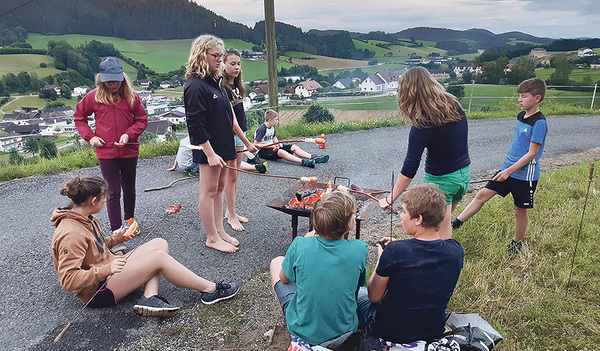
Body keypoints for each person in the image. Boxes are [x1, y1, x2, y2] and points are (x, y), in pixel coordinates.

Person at [51, 175, 240, 317]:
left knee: (159, 243)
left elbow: (94, 247)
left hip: (109, 271)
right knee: (159, 258)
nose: (106, 200)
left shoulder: (86, 217)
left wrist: (117, 240)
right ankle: (210, 290)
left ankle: (149, 297)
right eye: (104, 198)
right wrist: (105, 269)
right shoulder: (70, 233)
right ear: (93, 201)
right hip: (98, 291)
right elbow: (68, 280)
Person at [358, 184, 464, 344]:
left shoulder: (394, 252)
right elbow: (422, 257)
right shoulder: (456, 250)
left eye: (404, 211)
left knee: (356, 294)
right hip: (433, 330)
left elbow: (374, 297)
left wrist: (382, 259)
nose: (400, 216)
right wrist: (400, 248)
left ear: (418, 219)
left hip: (391, 331)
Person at [452, 78, 548, 254]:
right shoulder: (521, 116)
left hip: (524, 175)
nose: (519, 99)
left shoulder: (539, 123)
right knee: (482, 194)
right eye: (519, 96)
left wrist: (509, 171)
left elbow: (532, 153)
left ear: (537, 98)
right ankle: (456, 223)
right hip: (508, 169)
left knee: (520, 209)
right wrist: (506, 169)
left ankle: (517, 243)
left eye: (524, 96)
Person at [184, 34, 257, 253]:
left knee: (219, 188)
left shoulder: (215, 82)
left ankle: (219, 231)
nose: (219, 59)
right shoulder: (195, 86)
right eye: (215, 55)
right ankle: (212, 237)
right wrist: (209, 153)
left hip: (225, 145)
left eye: (221, 55)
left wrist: (238, 143)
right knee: (207, 191)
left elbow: (228, 116)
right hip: (209, 149)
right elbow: (195, 124)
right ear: (201, 55)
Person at [379, 66, 470, 240]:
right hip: (463, 176)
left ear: (408, 92)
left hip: (441, 182)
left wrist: (390, 199)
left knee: (438, 234)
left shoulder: (422, 123)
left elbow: (410, 167)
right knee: (442, 221)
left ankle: (444, 263)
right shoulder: (454, 105)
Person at [269, 191, 367, 347]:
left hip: (304, 332)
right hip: (344, 332)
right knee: (360, 292)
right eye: (353, 215)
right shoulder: (360, 249)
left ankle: (294, 318)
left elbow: (284, 279)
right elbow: (359, 283)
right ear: (348, 224)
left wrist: (306, 247)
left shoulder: (300, 244)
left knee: (276, 262)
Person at [74, 57, 148, 232]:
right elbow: (79, 118)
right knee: (112, 191)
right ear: (101, 80)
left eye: (116, 80)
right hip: (106, 152)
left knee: (129, 188)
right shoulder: (93, 97)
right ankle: (116, 230)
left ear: (122, 77)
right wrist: (90, 137)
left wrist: (128, 134)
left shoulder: (132, 96)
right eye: (109, 81)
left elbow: (142, 119)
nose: (114, 84)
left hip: (129, 149)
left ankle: (130, 221)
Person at [222, 49, 256, 231]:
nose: (236, 67)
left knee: (234, 177)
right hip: (232, 135)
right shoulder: (224, 88)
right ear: (224, 65)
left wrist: (245, 137)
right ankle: (231, 216)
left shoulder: (236, 86)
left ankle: (230, 211)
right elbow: (232, 121)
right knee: (231, 176)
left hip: (240, 133)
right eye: (232, 64)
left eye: (238, 64)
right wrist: (247, 142)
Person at [254, 109, 329, 168]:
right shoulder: (262, 129)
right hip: (262, 152)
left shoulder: (272, 127)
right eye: (276, 119)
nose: (278, 121)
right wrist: (273, 146)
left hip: (272, 147)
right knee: (281, 152)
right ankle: (303, 162)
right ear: (270, 120)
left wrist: (278, 143)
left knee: (294, 147)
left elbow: (274, 137)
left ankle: (313, 157)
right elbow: (256, 144)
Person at [166, 136, 266, 174]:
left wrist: (174, 166)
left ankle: (252, 160)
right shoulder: (198, 141)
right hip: (190, 165)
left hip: (182, 164)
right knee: (224, 160)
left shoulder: (184, 140)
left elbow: (179, 154)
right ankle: (254, 165)